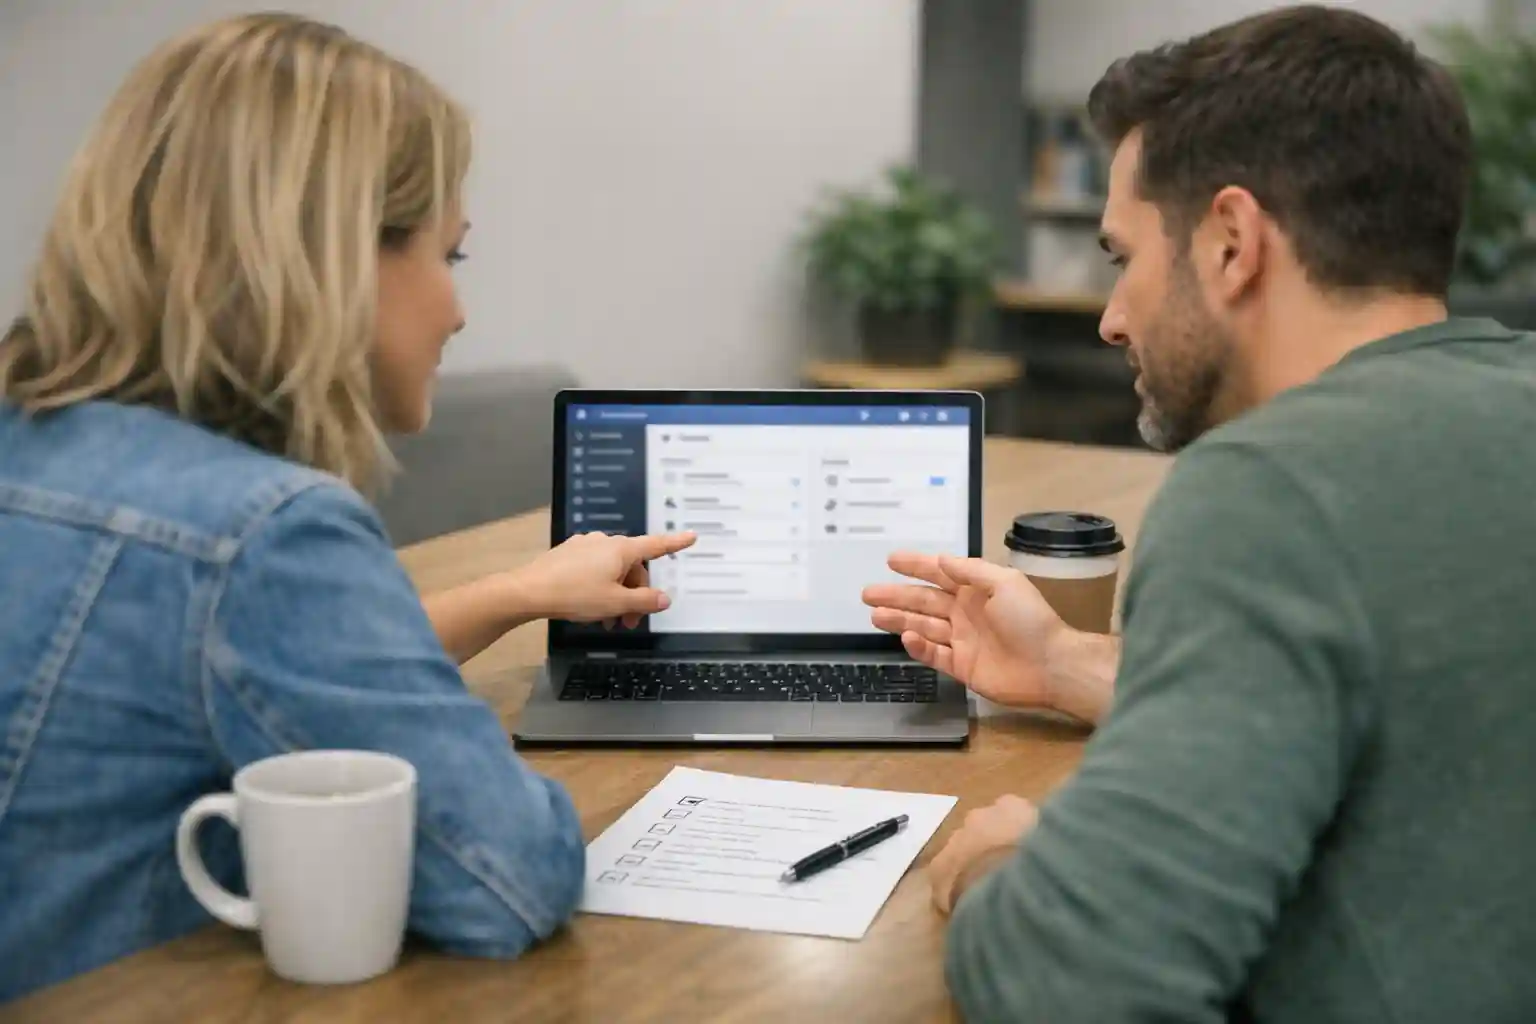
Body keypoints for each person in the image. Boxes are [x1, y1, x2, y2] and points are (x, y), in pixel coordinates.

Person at [0, 14, 693, 1002]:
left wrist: (512, 592)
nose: (457, 310)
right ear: (334, 258)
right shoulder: (264, 528)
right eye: (449, 256)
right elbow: (507, 879)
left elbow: (232, 651)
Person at [864, 6, 1536, 1022]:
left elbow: (1077, 985)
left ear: (1231, 242)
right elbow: (1394, 687)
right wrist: (1065, 665)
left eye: (1122, 256)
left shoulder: (1271, 489)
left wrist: (1004, 866)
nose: (1111, 315)